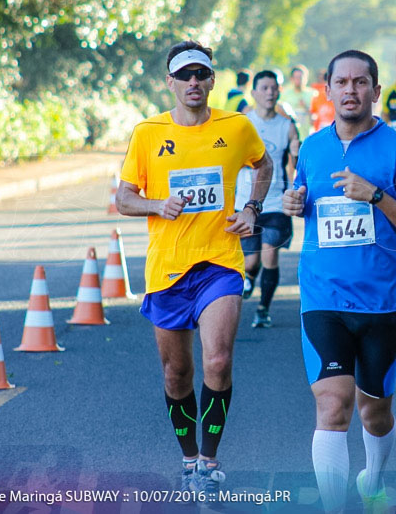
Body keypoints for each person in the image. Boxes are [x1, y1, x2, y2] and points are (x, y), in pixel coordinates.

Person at [116, 41, 273, 495]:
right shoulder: (147, 133)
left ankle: (209, 460)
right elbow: (123, 198)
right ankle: (188, 459)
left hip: (220, 261)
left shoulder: (237, 126)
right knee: (176, 374)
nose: (193, 83)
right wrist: (156, 205)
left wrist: (252, 207)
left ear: (212, 80)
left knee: (219, 361)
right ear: (170, 83)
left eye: (201, 74)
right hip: (167, 269)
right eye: (184, 75)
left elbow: (262, 167)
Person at [282, 50, 396, 512]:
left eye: (361, 82)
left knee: (376, 411)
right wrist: (294, 203)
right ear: (327, 89)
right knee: (333, 405)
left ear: (376, 90)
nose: (351, 91)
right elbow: (307, 199)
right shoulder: (311, 148)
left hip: (383, 301)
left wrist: (377, 196)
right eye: (342, 83)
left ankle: (373, 479)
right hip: (323, 297)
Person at [234, 70, 300, 328]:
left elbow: (295, 162)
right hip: (245, 201)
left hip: (275, 201)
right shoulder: (242, 124)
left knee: (270, 255)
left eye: (274, 88)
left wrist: (296, 157)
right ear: (254, 93)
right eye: (265, 88)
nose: (270, 92)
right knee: (251, 261)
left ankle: (263, 309)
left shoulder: (287, 126)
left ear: (279, 92)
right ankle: (249, 278)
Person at [283, 65, 318, 138]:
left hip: (308, 136)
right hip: (290, 137)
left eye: (301, 77)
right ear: (291, 79)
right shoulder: (285, 94)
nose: (299, 80)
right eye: (296, 77)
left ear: (306, 78)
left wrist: (306, 107)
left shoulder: (313, 94)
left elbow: (317, 116)